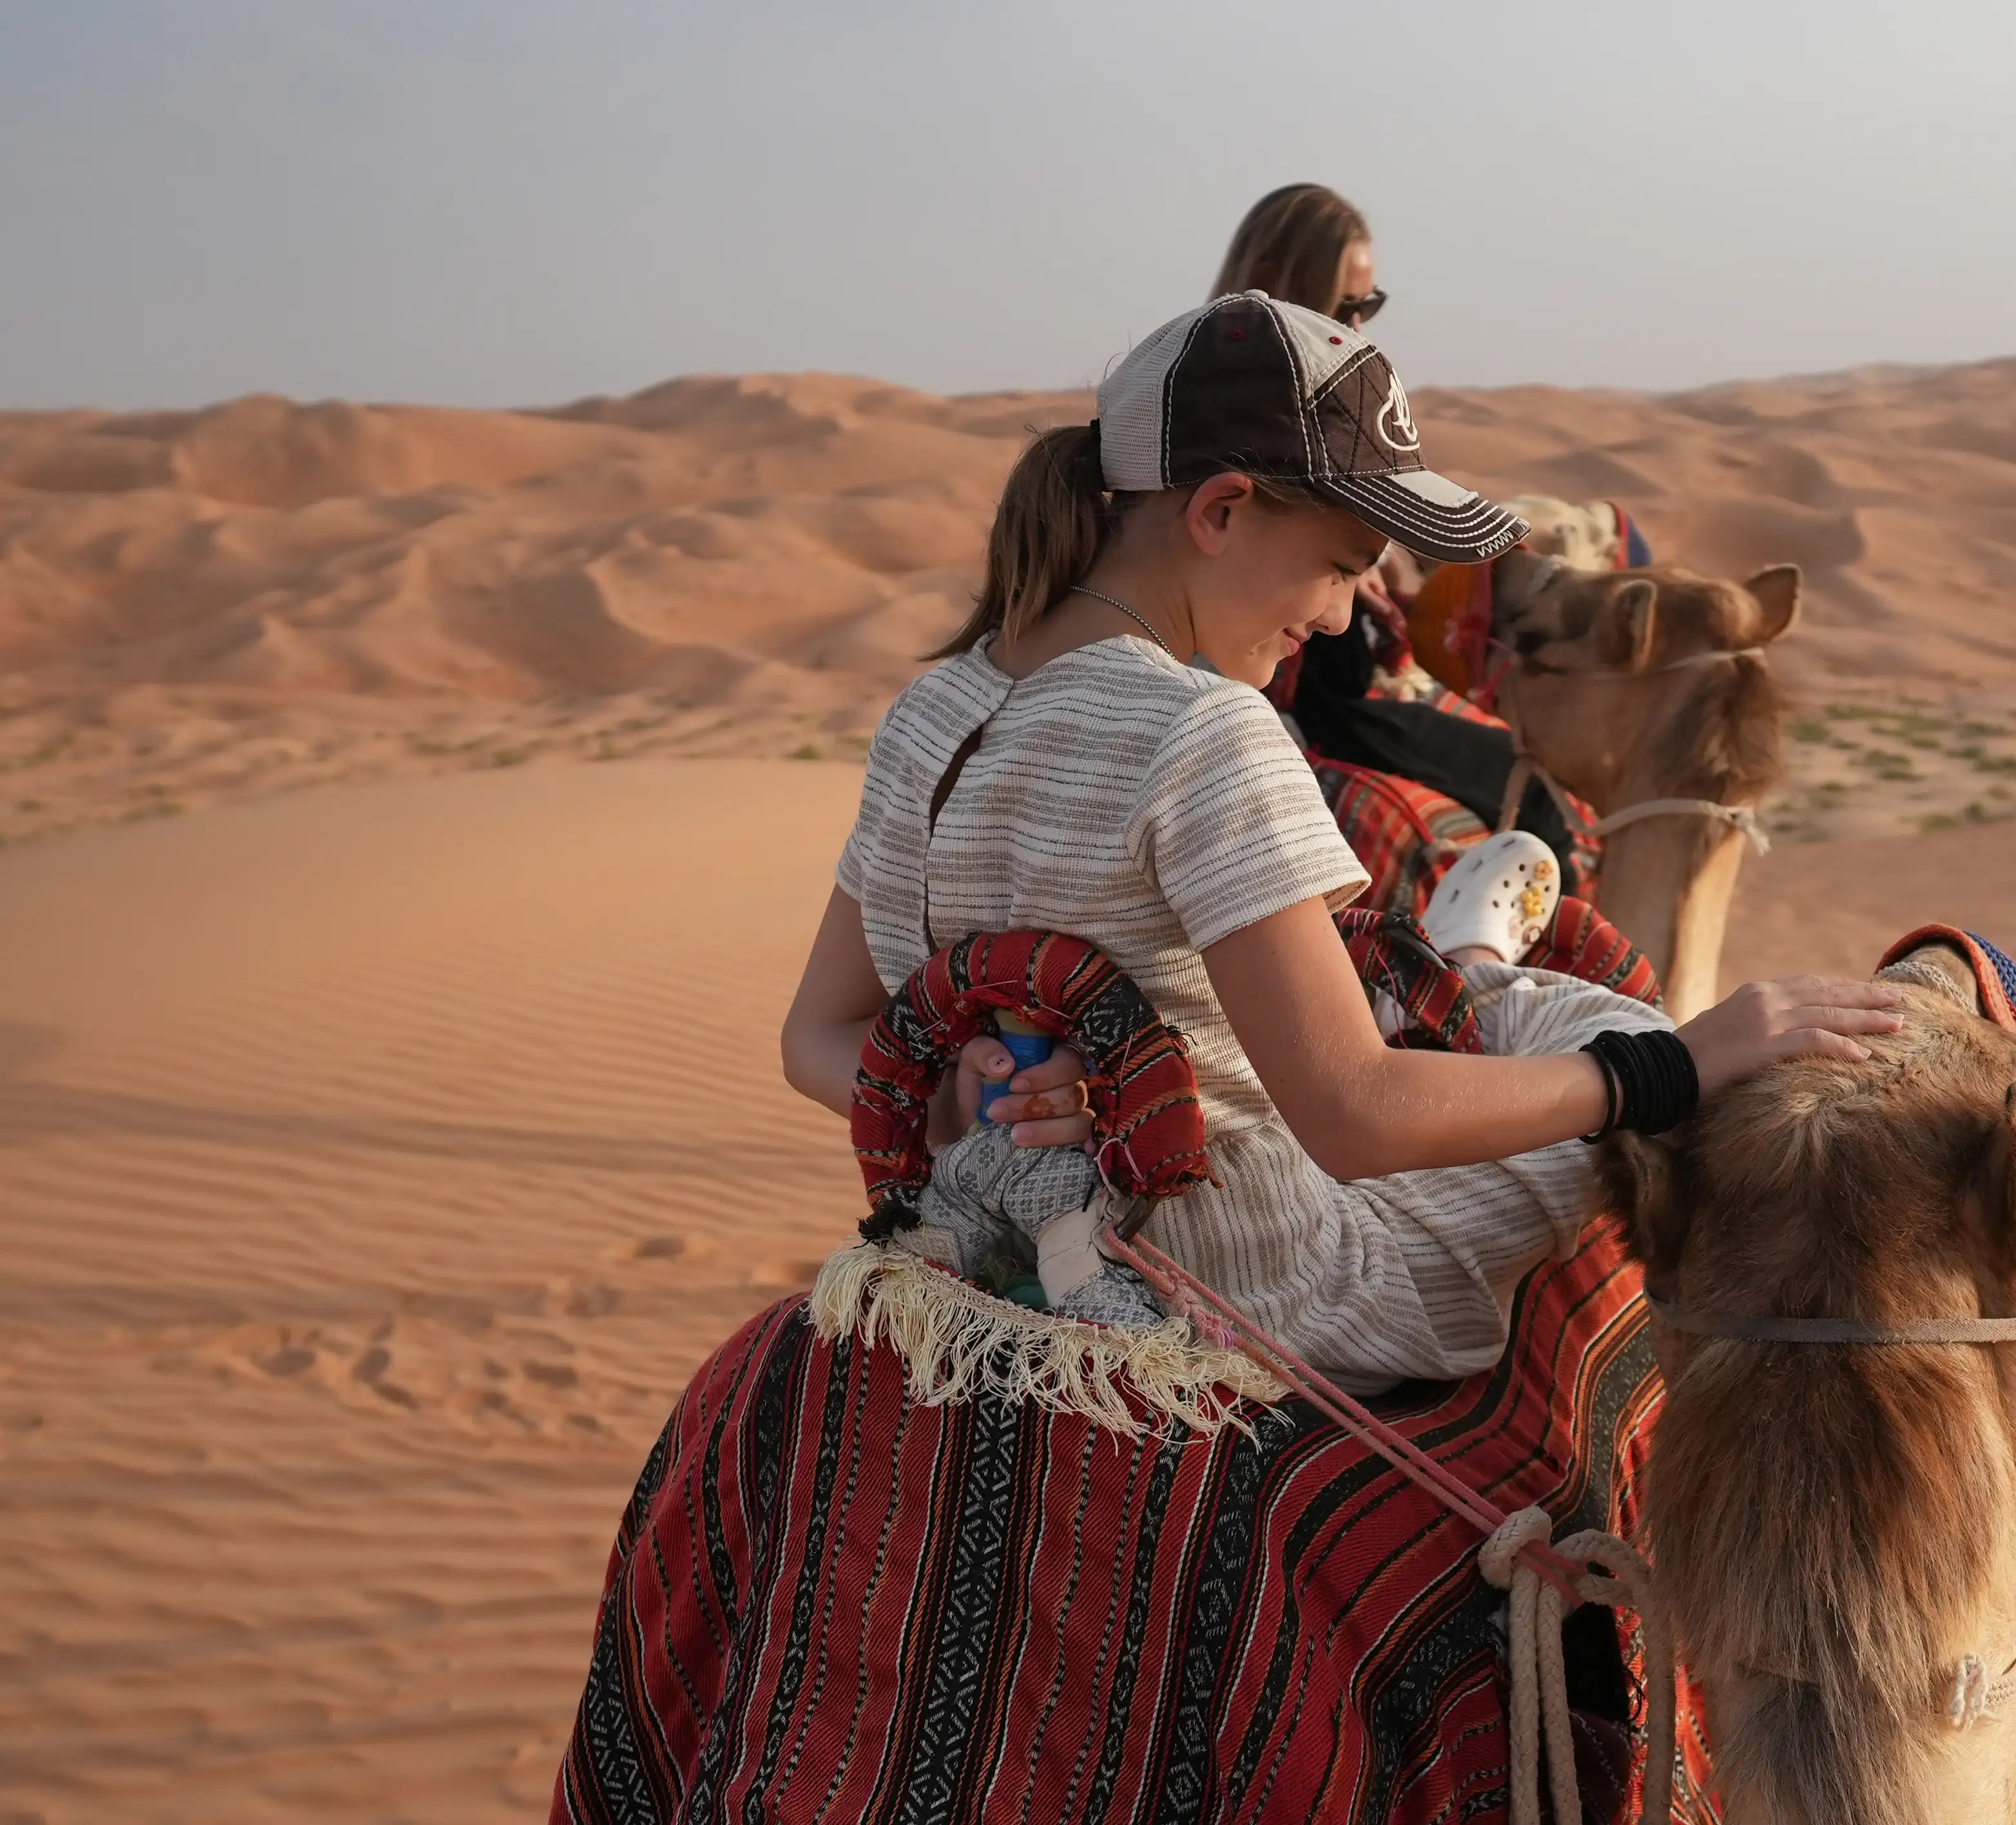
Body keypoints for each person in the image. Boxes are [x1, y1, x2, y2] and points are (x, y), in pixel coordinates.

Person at [779, 291, 1903, 1389]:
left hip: (991, 1241)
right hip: (1275, 1288)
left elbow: (817, 1037)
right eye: (1344, 563)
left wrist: (972, 1101)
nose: (1336, 615)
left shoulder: (931, 711)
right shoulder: (1206, 730)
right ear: (1221, 512)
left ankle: (1463, 960)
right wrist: (1677, 1064)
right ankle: (1470, 960)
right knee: (1593, 1023)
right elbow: (1356, 1118)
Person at [1210, 184, 1595, 887]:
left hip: (1347, 666)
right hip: (1312, 691)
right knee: (1535, 793)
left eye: (1371, 304)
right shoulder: (1247, 409)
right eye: (1345, 307)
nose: (1360, 325)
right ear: (1276, 285)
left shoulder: (1287, 390)